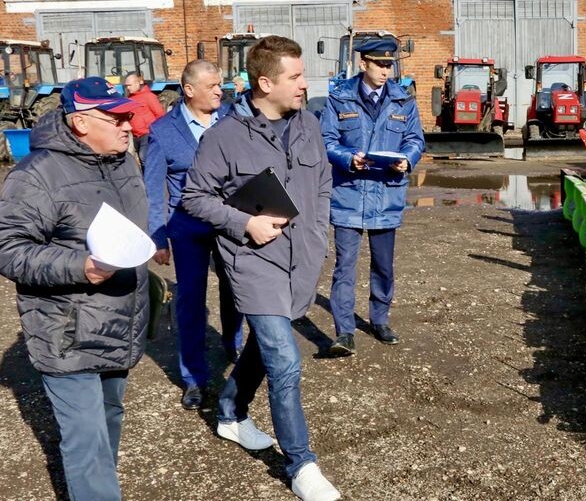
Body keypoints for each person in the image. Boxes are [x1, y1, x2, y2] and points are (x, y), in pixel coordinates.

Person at [181, 35, 340, 501]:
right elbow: (194, 197)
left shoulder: (308, 123)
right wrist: (244, 222)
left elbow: (323, 181)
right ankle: (301, 464)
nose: (304, 84)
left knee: (268, 344)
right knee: (285, 361)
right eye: (295, 77)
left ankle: (230, 412)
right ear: (265, 82)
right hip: (253, 261)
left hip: (302, 258)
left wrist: (319, 232)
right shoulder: (223, 138)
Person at [0, 77, 147, 500]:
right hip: (66, 330)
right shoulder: (35, 176)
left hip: (119, 321)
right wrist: (78, 266)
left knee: (109, 420)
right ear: (81, 122)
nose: (127, 124)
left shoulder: (122, 162)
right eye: (116, 117)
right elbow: (8, 249)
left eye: (127, 115)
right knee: (87, 444)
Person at [144, 59, 244, 410]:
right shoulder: (162, 131)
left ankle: (233, 344)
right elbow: (154, 189)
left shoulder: (233, 119)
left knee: (236, 292)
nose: (220, 90)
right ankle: (193, 378)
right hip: (187, 229)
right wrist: (158, 237)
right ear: (188, 90)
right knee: (189, 302)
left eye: (221, 85)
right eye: (212, 86)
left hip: (231, 224)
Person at [320, 38, 424, 357]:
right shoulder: (340, 98)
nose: (385, 71)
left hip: (386, 193)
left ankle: (379, 320)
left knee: (383, 266)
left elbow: (415, 139)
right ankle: (344, 332)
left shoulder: (403, 100)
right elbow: (326, 140)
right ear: (363, 64)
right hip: (350, 193)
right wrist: (347, 158)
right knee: (345, 266)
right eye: (380, 64)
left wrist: (407, 159)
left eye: (389, 64)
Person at [123, 72, 164, 152]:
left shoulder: (149, 96)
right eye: (126, 86)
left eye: (129, 85)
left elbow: (160, 115)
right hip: (135, 135)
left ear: (138, 83)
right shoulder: (129, 98)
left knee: (144, 158)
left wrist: (156, 132)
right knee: (141, 159)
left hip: (147, 133)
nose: (127, 88)